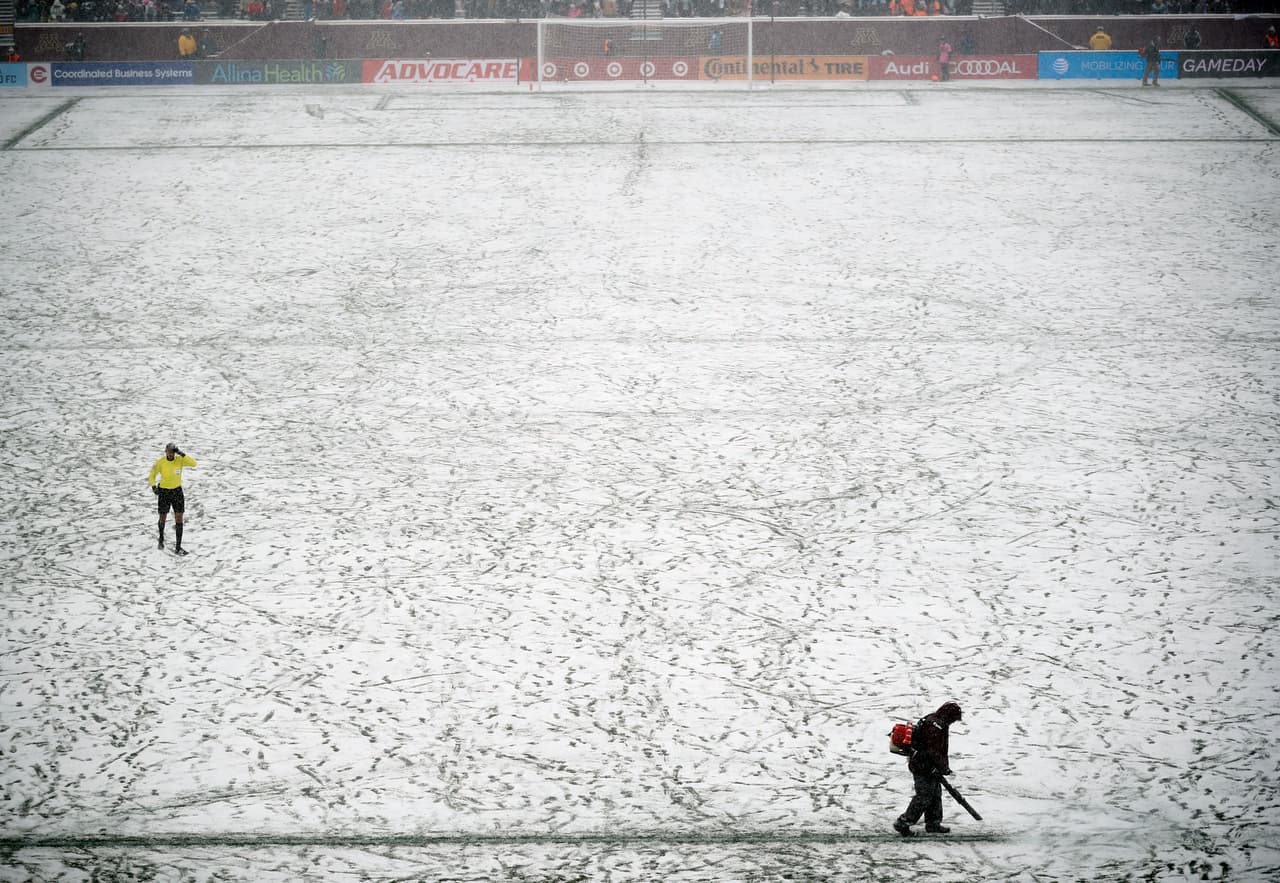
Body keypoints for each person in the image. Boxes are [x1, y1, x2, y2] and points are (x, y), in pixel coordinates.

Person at [894, 701, 964, 837]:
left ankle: (933, 823)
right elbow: (934, 751)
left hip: (924, 764)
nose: (953, 722)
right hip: (923, 765)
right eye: (954, 719)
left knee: (935, 794)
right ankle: (904, 822)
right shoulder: (936, 726)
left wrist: (942, 768)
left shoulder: (933, 719)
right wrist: (942, 768)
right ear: (949, 716)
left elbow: (936, 750)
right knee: (924, 796)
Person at [148, 442, 197, 555]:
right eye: (169, 452)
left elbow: (194, 464)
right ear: (165, 451)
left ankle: (178, 547)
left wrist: (182, 454)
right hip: (164, 492)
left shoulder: (179, 460)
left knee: (179, 517)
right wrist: (154, 487)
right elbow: (152, 475)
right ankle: (161, 538)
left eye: (173, 452)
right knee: (162, 517)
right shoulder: (160, 462)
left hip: (177, 491)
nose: (170, 454)